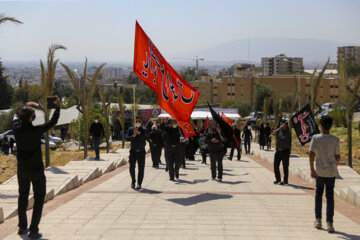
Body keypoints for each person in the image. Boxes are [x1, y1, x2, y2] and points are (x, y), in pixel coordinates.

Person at [12, 97, 60, 239]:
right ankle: (33, 230)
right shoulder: (37, 130)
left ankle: (22, 227)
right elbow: (53, 122)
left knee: (22, 197)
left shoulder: (16, 129)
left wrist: (26, 105)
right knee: (39, 198)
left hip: (22, 171)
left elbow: (16, 113)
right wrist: (57, 108)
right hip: (37, 171)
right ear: (32, 118)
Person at [310, 116, 340, 233]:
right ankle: (330, 223)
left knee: (318, 194)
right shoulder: (335, 139)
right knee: (330, 197)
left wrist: (312, 169)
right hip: (331, 172)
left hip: (319, 172)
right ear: (331, 126)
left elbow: (311, 154)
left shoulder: (315, 138)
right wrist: (334, 165)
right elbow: (337, 157)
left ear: (321, 126)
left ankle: (318, 220)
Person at [126, 116, 147, 189]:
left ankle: (139, 183)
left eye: (139, 121)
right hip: (133, 152)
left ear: (141, 122)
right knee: (131, 167)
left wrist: (139, 133)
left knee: (141, 168)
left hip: (141, 151)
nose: (138, 123)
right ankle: (133, 181)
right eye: (136, 121)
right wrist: (133, 135)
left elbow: (145, 138)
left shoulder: (144, 129)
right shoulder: (131, 129)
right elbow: (127, 138)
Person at [273, 120, 291, 185]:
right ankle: (278, 179)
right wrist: (275, 133)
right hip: (278, 151)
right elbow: (276, 137)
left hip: (285, 151)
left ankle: (285, 180)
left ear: (285, 126)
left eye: (282, 124)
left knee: (285, 166)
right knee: (275, 165)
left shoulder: (288, 133)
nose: (281, 126)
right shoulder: (278, 131)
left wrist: (276, 134)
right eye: (280, 124)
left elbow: (283, 139)